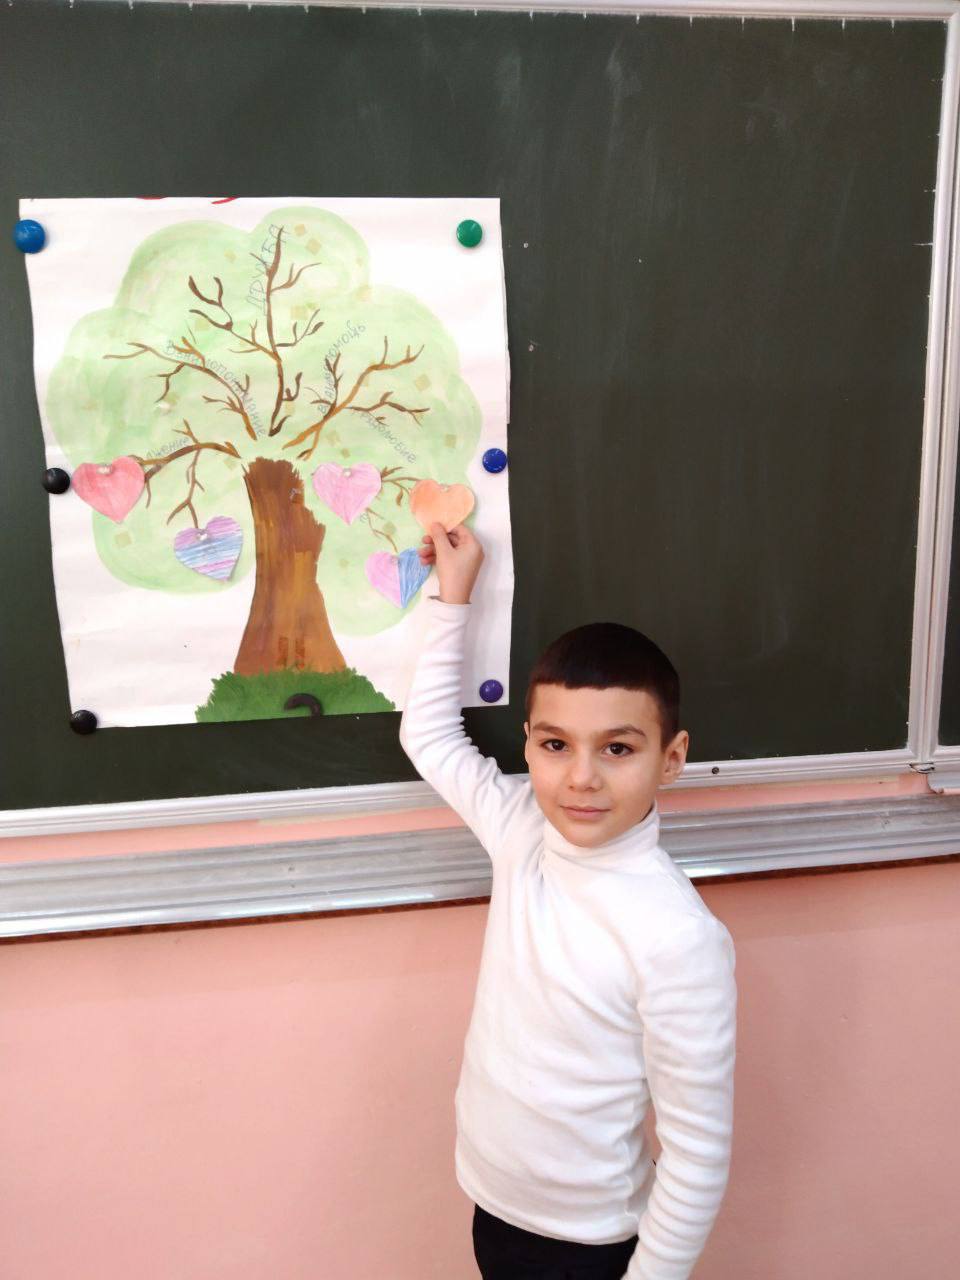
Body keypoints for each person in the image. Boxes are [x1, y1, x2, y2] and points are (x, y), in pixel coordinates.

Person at [399, 522, 738, 1280]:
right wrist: (453, 596)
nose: (581, 777)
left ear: (671, 758)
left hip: (589, 1247)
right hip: (491, 1204)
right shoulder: (521, 830)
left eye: (617, 748)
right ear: (527, 744)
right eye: (556, 745)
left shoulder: (677, 936)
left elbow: (697, 1153)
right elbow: (430, 737)